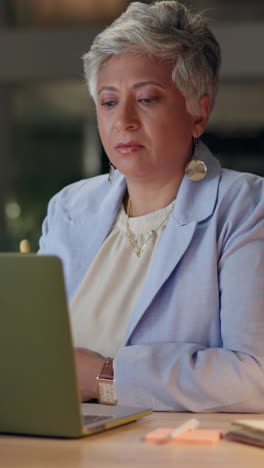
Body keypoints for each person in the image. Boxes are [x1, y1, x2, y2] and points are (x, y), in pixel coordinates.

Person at [38, 0, 264, 412]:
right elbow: (29, 348)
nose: (122, 120)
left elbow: (255, 377)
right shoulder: (69, 207)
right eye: (108, 102)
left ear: (198, 112)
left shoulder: (246, 206)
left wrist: (102, 376)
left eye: (146, 99)